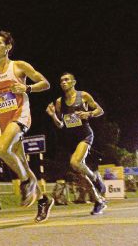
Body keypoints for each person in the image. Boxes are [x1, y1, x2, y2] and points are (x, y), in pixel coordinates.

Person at [0, 30, 54, 223]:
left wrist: (27, 88)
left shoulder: (18, 67)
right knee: (23, 164)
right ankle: (44, 199)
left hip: (21, 116)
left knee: (1, 148)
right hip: (5, 122)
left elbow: (45, 83)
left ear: (8, 47)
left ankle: (27, 181)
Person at [46, 72, 107, 215]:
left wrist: (89, 114)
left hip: (85, 135)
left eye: (67, 80)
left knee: (74, 162)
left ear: (74, 82)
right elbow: (61, 125)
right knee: (79, 174)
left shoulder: (83, 96)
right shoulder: (59, 102)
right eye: (61, 81)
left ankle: (95, 178)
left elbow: (100, 110)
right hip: (70, 140)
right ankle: (98, 201)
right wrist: (53, 115)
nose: (63, 82)